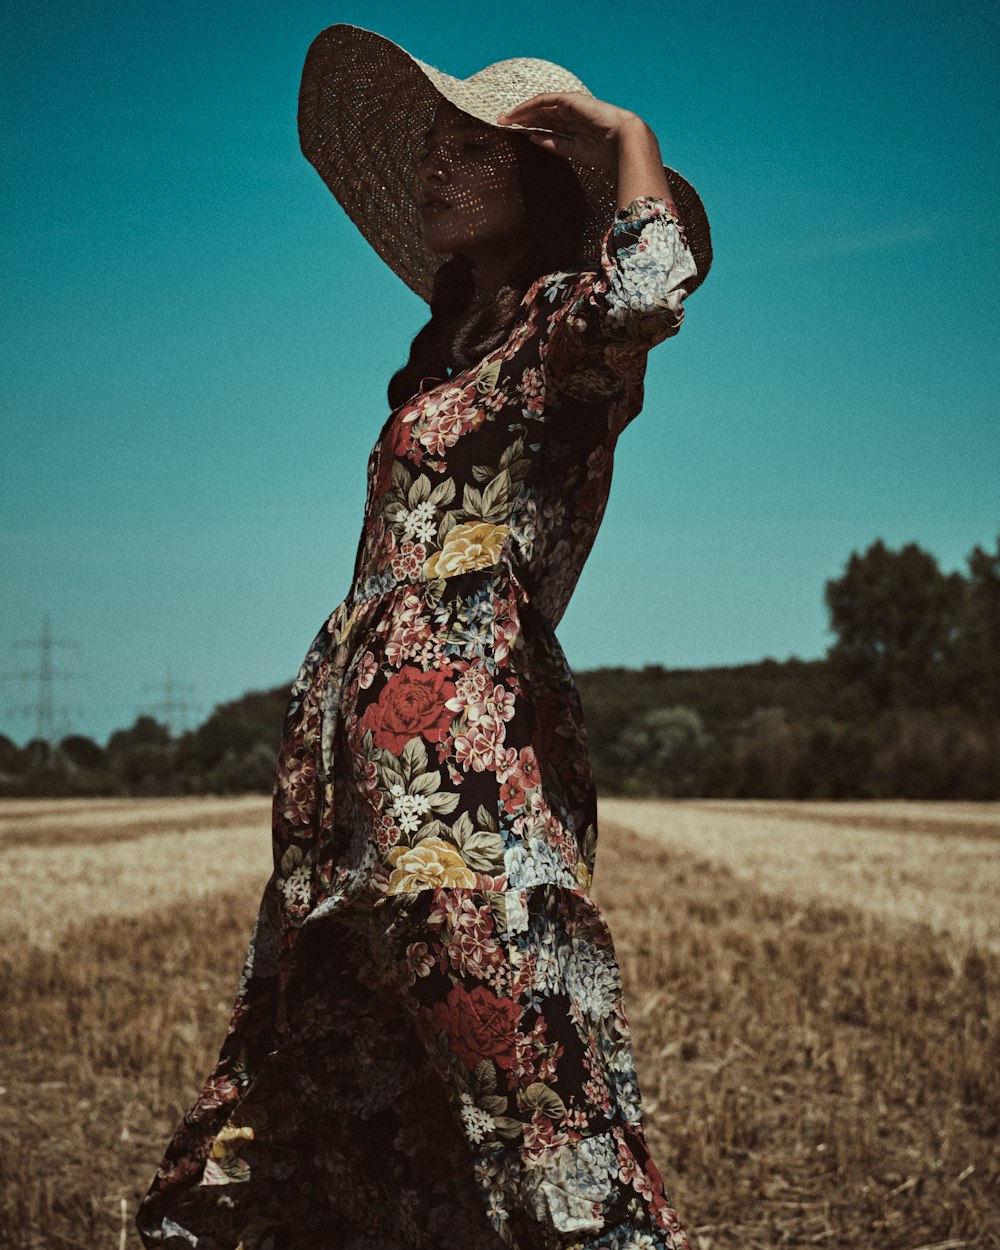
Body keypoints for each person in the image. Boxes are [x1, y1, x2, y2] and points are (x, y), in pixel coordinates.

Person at [137, 23, 712, 1250]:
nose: (432, 171)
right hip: (356, 762)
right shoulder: (456, 355)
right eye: (429, 151)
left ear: (538, 182)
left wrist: (620, 133)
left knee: (524, 1060)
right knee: (331, 1081)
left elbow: (654, 284)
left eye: (467, 151)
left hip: (466, 760)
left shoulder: (568, 339)